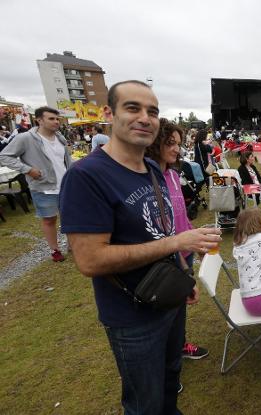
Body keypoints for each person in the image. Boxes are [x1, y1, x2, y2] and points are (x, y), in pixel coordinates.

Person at [59, 80, 221, 414]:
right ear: (109, 113)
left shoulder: (151, 168)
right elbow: (90, 260)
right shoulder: (86, 176)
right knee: (144, 402)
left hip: (168, 298)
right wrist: (177, 242)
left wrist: (182, 277)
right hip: (132, 316)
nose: (145, 118)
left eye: (153, 111)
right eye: (132, 108)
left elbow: (158, 230)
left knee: (169, 381)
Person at [145, 118, 209, 363]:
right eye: (170, 142)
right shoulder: (146, 179)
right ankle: (165, 358)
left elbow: (181, 215)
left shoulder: (172, 175)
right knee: (163, 312)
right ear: (154, 142)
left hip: (185, 252)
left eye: (178, 143)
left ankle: (179, 345)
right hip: (163, 257)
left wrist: (197, 241)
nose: (176, 149)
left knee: (180, 305)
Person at [0, 106, 72, 262]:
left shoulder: (60, 137)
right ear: (39, 120)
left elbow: (65, 160)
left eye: (57, 119)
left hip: (66, 185)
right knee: (49, 219)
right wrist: (27, 169)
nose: (56, 122)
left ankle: (72, 244)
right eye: (51, 119)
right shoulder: (25, 138)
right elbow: (4, 156)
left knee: (69, 216)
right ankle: (55, 250)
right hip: (44, 187)